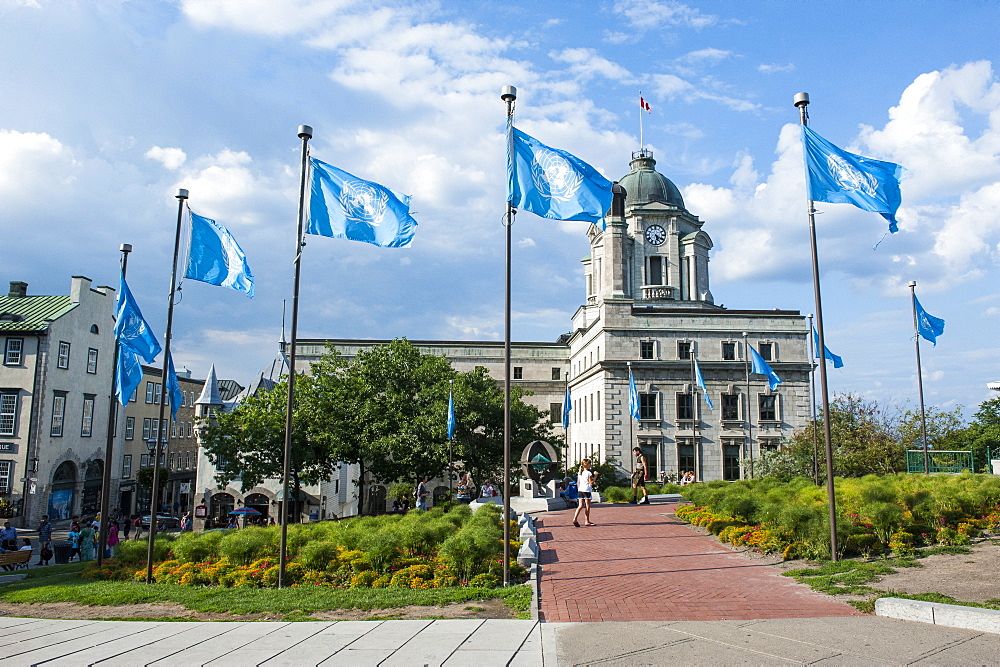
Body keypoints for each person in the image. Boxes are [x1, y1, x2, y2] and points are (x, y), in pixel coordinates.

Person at [571, 458, 598, 527]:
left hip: (580, 490)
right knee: (587, 506)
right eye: (590, 464)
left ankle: (575, 518)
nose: (591, 465)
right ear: (587, 465)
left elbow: (578, 482)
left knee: (580, 506)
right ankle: (587, 521)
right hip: (587, 490)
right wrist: (595, 476)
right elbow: (591, 483)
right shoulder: (589, 473)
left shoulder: (580, 473)